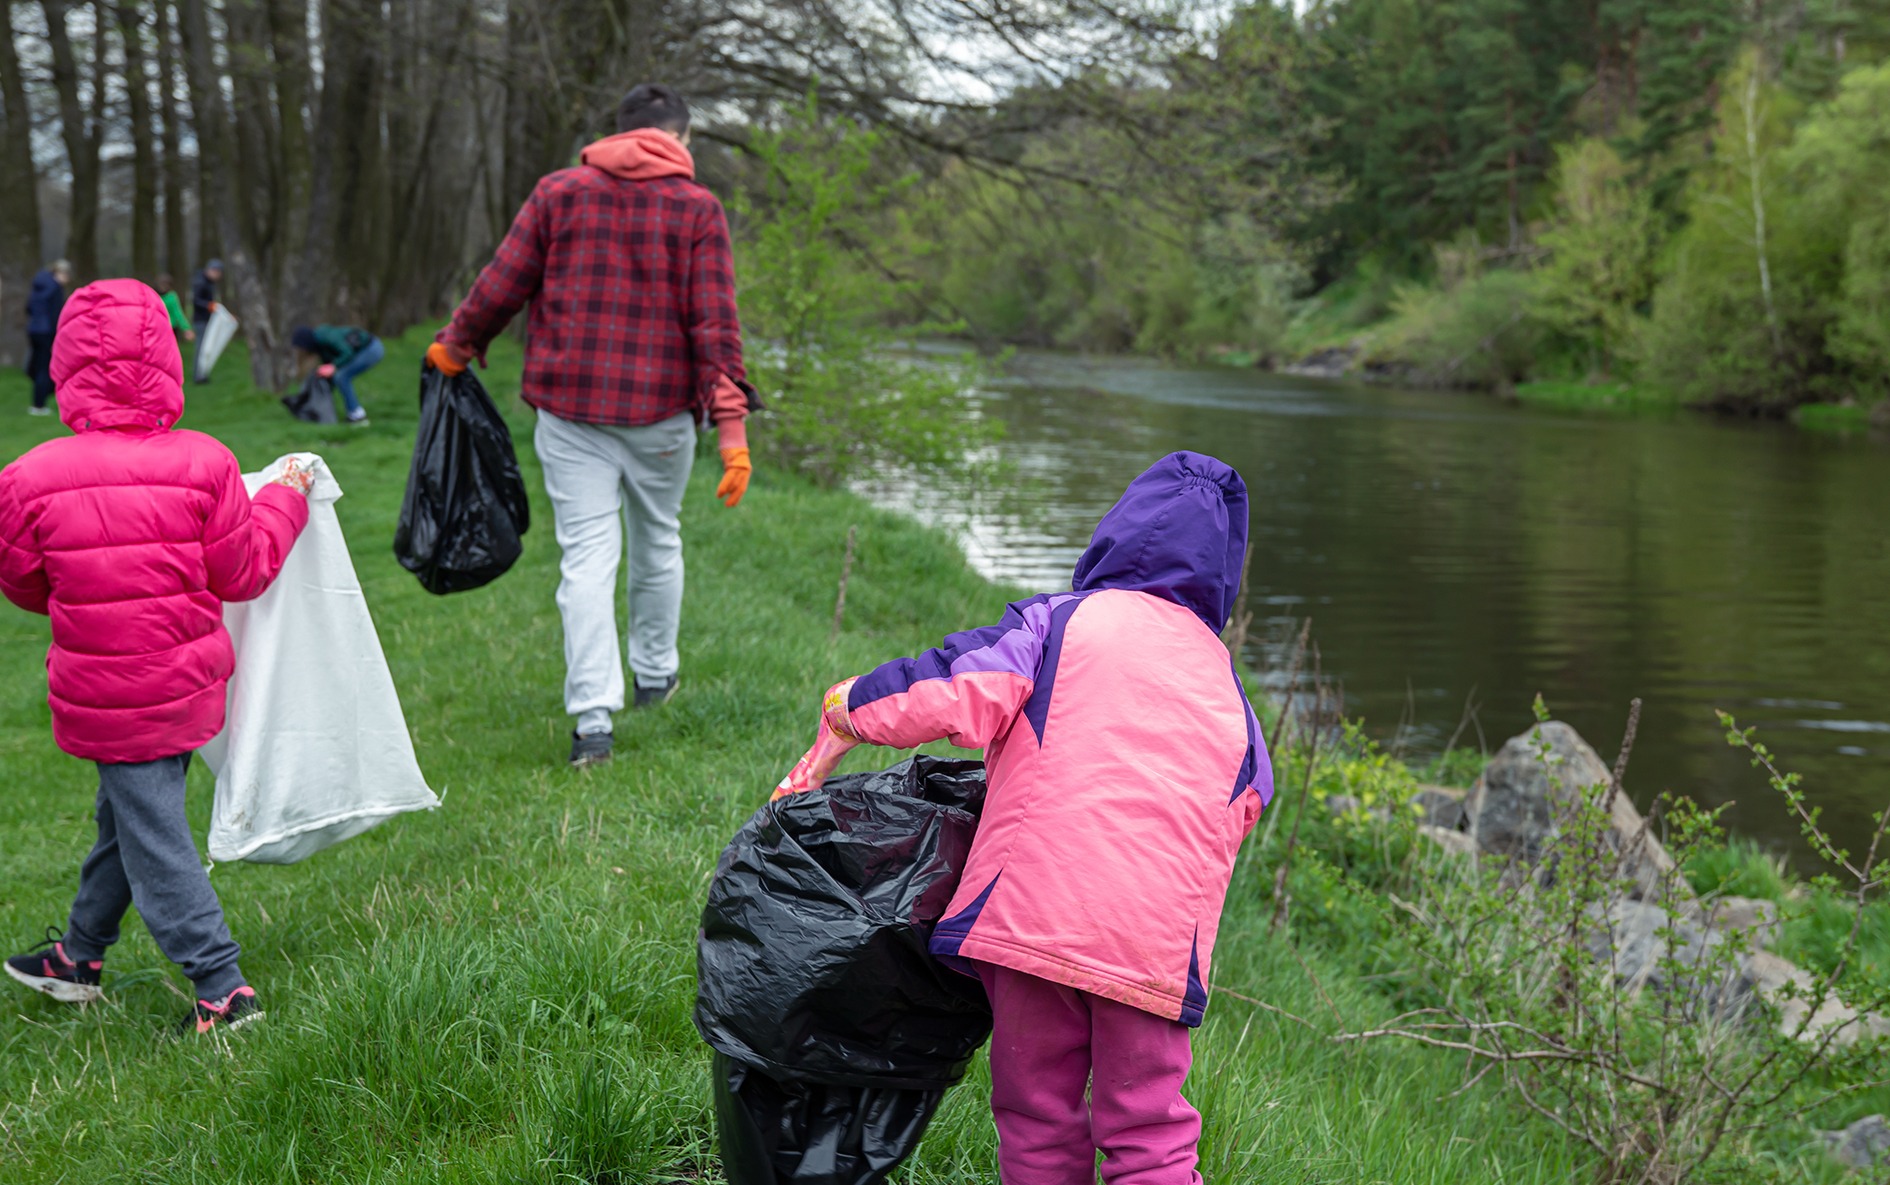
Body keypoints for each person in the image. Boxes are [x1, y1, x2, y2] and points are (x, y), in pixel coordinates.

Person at [773, 452, 1272, 1185]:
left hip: (1034, 920)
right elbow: (1248, 800)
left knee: (1040, 1114)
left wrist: (850, 705)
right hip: (1155, 952)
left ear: (1117, 533)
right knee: (1152, 1135)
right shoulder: (1231, 688)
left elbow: (953, 688)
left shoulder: (1060, 622)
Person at [0, 279, 312, 1034]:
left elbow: (25, 584)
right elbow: (245, 571)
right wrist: (287, 498)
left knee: (153, 834)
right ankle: (79, 957)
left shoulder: (27, 478)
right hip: (187, 686)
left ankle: (223, 990)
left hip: (106, 692)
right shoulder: (205, 463)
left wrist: (91, 595)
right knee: (130, 819)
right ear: (168, 360)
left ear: (67, 367)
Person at [429, 82, 757, 769]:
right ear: (680, 139)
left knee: (585, 558)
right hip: (663, 416)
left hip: (571, 410)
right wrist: (732, 433)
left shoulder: (558, 192)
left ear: (618, 133)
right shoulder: (697, 207)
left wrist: (456, 345)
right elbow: (714, 325)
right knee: (658, 539)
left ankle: (592, 723)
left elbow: (503, 281)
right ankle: (656, 676)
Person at [291, 323, 382, 424]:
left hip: (371, 349)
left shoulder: (325, 337)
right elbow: (328, 364)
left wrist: (333, 366)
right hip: (362, 350)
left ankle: (357, 415)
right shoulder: (319, 346)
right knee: (332, 377)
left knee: (342, 377)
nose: (304, 350)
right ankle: (320, 411)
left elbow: (347, 352)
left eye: (303, 347)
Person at [24, 260, 71, 416]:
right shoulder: (55, 288)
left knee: (37, 365)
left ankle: (38, 398)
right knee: (46, 367)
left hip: (34, 329)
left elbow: (29, 308)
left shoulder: (38, 286)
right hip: (47, 331)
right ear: (61, 273)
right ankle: (39, 404)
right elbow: (55, 314)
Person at [189, 260, 222, 382]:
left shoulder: (209, 283)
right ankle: (198, 375)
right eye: (216, 272)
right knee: (200, 347)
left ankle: (203, 373)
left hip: (207, 319)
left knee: (206, 347)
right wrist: (208, 306)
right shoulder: (200, 282)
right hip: (200, 320)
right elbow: (196, 300)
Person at [154, 275, 197, 344]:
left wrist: (186, 328)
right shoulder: (153, 295)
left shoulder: (172, 296)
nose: (163, 287)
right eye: (161, 284)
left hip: (170, 327)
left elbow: (178, 313)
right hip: (157, 327)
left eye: (166, 284)